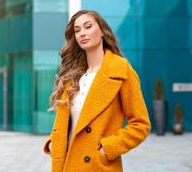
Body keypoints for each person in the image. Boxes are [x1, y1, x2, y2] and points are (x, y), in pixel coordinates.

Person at [43, 10, 151, 172]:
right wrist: (55, 141)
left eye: (87, 27)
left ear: (102, 31)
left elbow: (140, 125)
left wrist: (106, 148)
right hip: (66, 163)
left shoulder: (121, 70)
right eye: (77, 30)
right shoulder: (73, 76)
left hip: (97, 165)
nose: (82, 34)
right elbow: (73, 123)